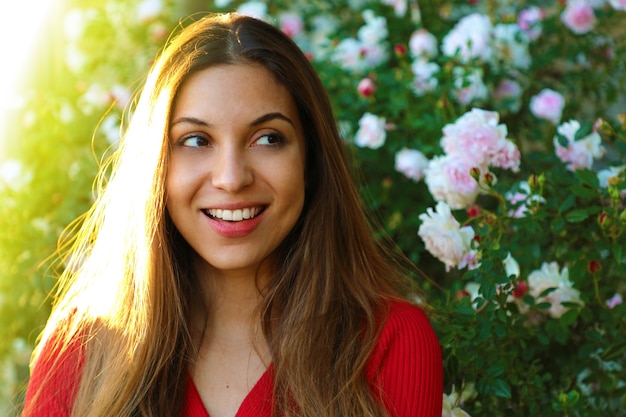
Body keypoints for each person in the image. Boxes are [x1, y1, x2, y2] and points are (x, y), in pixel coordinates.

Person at [23, 12, 443, 417]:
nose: (231, 178)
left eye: (268, 138)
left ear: (311, 162)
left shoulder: (391, 342)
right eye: (195, 140)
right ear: (156, 167)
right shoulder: (81, 348)